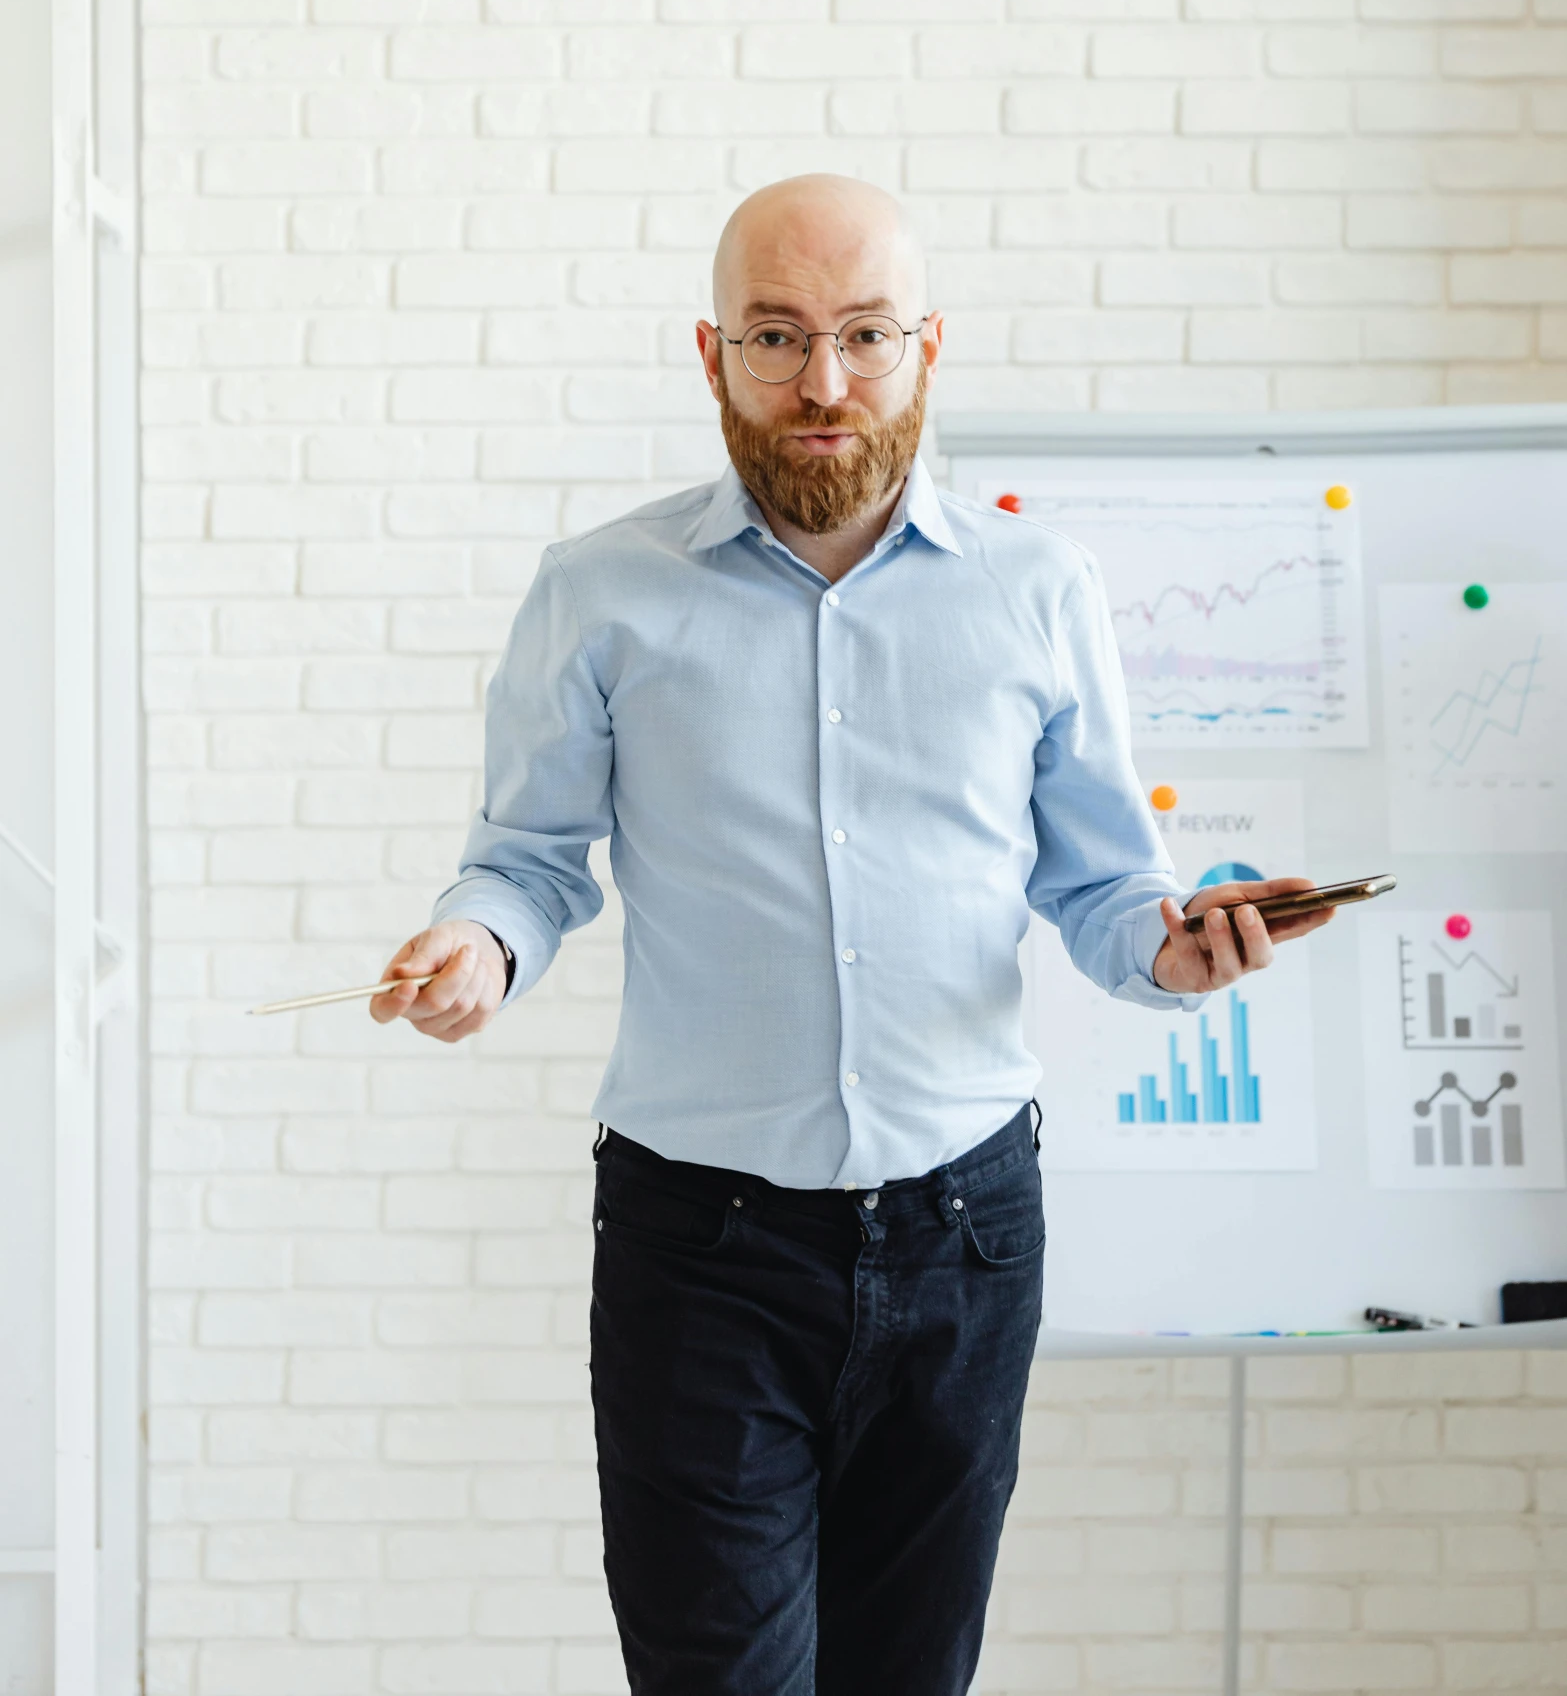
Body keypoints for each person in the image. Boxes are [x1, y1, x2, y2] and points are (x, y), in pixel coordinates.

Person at [372, 173, 1331, 1696]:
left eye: (864, 334)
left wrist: (1172, 952)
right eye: (775, 335)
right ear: (710, 353)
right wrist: (474, 948)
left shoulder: (1037, 590)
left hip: (965, 1236)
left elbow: (1102, 890)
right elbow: (527, 862)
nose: (822, 382)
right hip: (705, 1253)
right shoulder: (600, 593)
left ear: (927, 345)